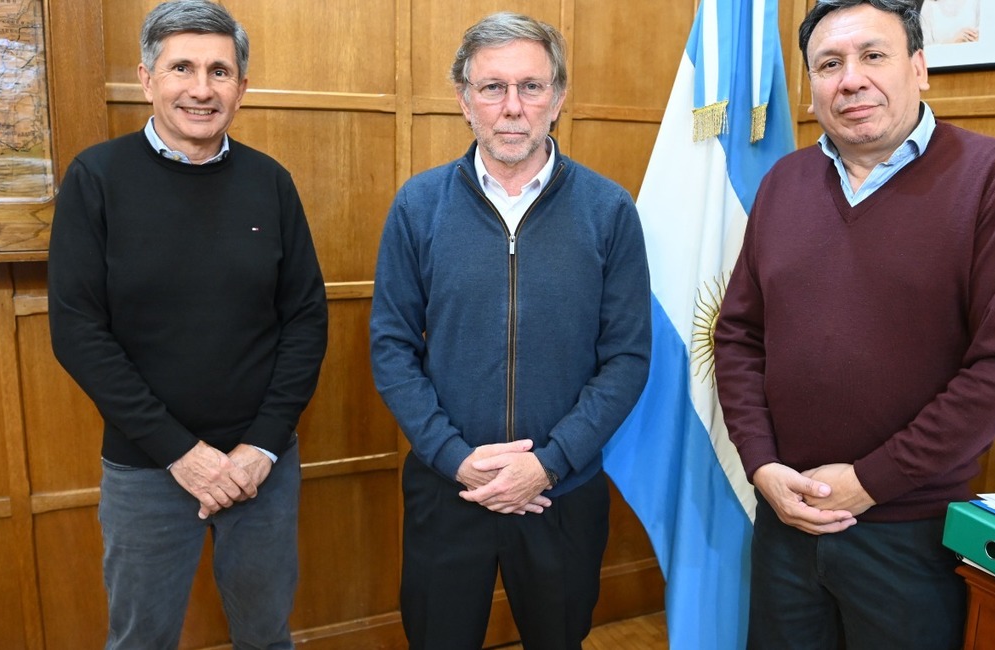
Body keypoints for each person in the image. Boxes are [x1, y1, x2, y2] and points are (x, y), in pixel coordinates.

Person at [713, 0, 995, 648]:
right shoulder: (784, 181)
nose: (850, 78)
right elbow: (739, 335)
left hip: (912, 534)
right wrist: (761, 464)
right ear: (812, 85)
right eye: (829, 64)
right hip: (786, 518)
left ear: (919, 67)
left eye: (873, 55)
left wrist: (869, 483)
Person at [47, 1, 328, 648]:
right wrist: (183, 454)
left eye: (219, 72)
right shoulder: (97, 179)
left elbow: (306, 320)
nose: (201, 89)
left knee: (265, 634)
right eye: (182, 68)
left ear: (242, 88)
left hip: (262, 467)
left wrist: (260, 446)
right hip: (147, 470)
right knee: (140, 639)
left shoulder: (270, 183)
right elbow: (77, 331)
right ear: (147, 78)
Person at [369, 12, 651, 650]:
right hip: (449, 489)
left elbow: (628, 359)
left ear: (558, 97)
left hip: (563, 494)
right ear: (464, 99)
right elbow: (390, 347)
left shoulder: (609, 210)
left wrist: (547, 466)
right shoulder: (419, 205)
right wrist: (457, 460)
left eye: (531, 86)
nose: (512, 107)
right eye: (492, 87)